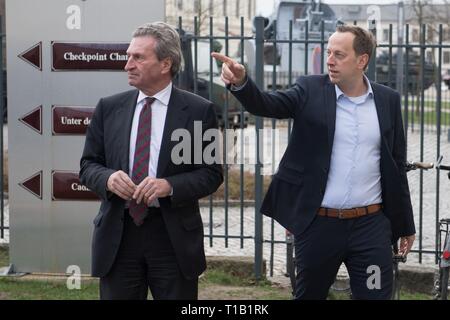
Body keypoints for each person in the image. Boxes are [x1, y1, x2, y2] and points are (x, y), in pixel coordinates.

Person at [212, 25, 415, 300]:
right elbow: (267, 104)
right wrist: (242, 82)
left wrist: (405, 225)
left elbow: (396, 165)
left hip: (371, 228)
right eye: (329, 52)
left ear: (362, 60)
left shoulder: (387, 101)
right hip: (319, 226)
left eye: (339, 54)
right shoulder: (310, 89)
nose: (329, 60)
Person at [80, 22, 223, 300]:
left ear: (165, 63)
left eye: (138, 57)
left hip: (172, 238)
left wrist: (169, 185)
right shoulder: (109, 108)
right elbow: (88, 166)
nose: (128, 65)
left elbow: (211, 174)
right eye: (128, 56)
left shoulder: (198, 111)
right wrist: (108, 178)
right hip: (118, 237)